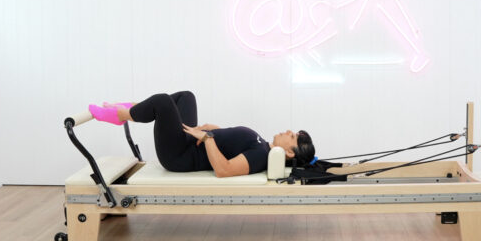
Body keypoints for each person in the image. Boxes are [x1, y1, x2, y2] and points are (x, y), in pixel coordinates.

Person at [88, 91, 315, 178]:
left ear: (289, 153)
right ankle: (130, 109)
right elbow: (230, 144)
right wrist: (215, 130)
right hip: (189, 141)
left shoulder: (260, 156)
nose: (288, 131)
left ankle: (120, 114)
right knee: (186, 97)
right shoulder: (262, 145)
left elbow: (224, 170)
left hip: (179, 155)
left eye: (292, 136)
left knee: (163, 102)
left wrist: (208, 138)